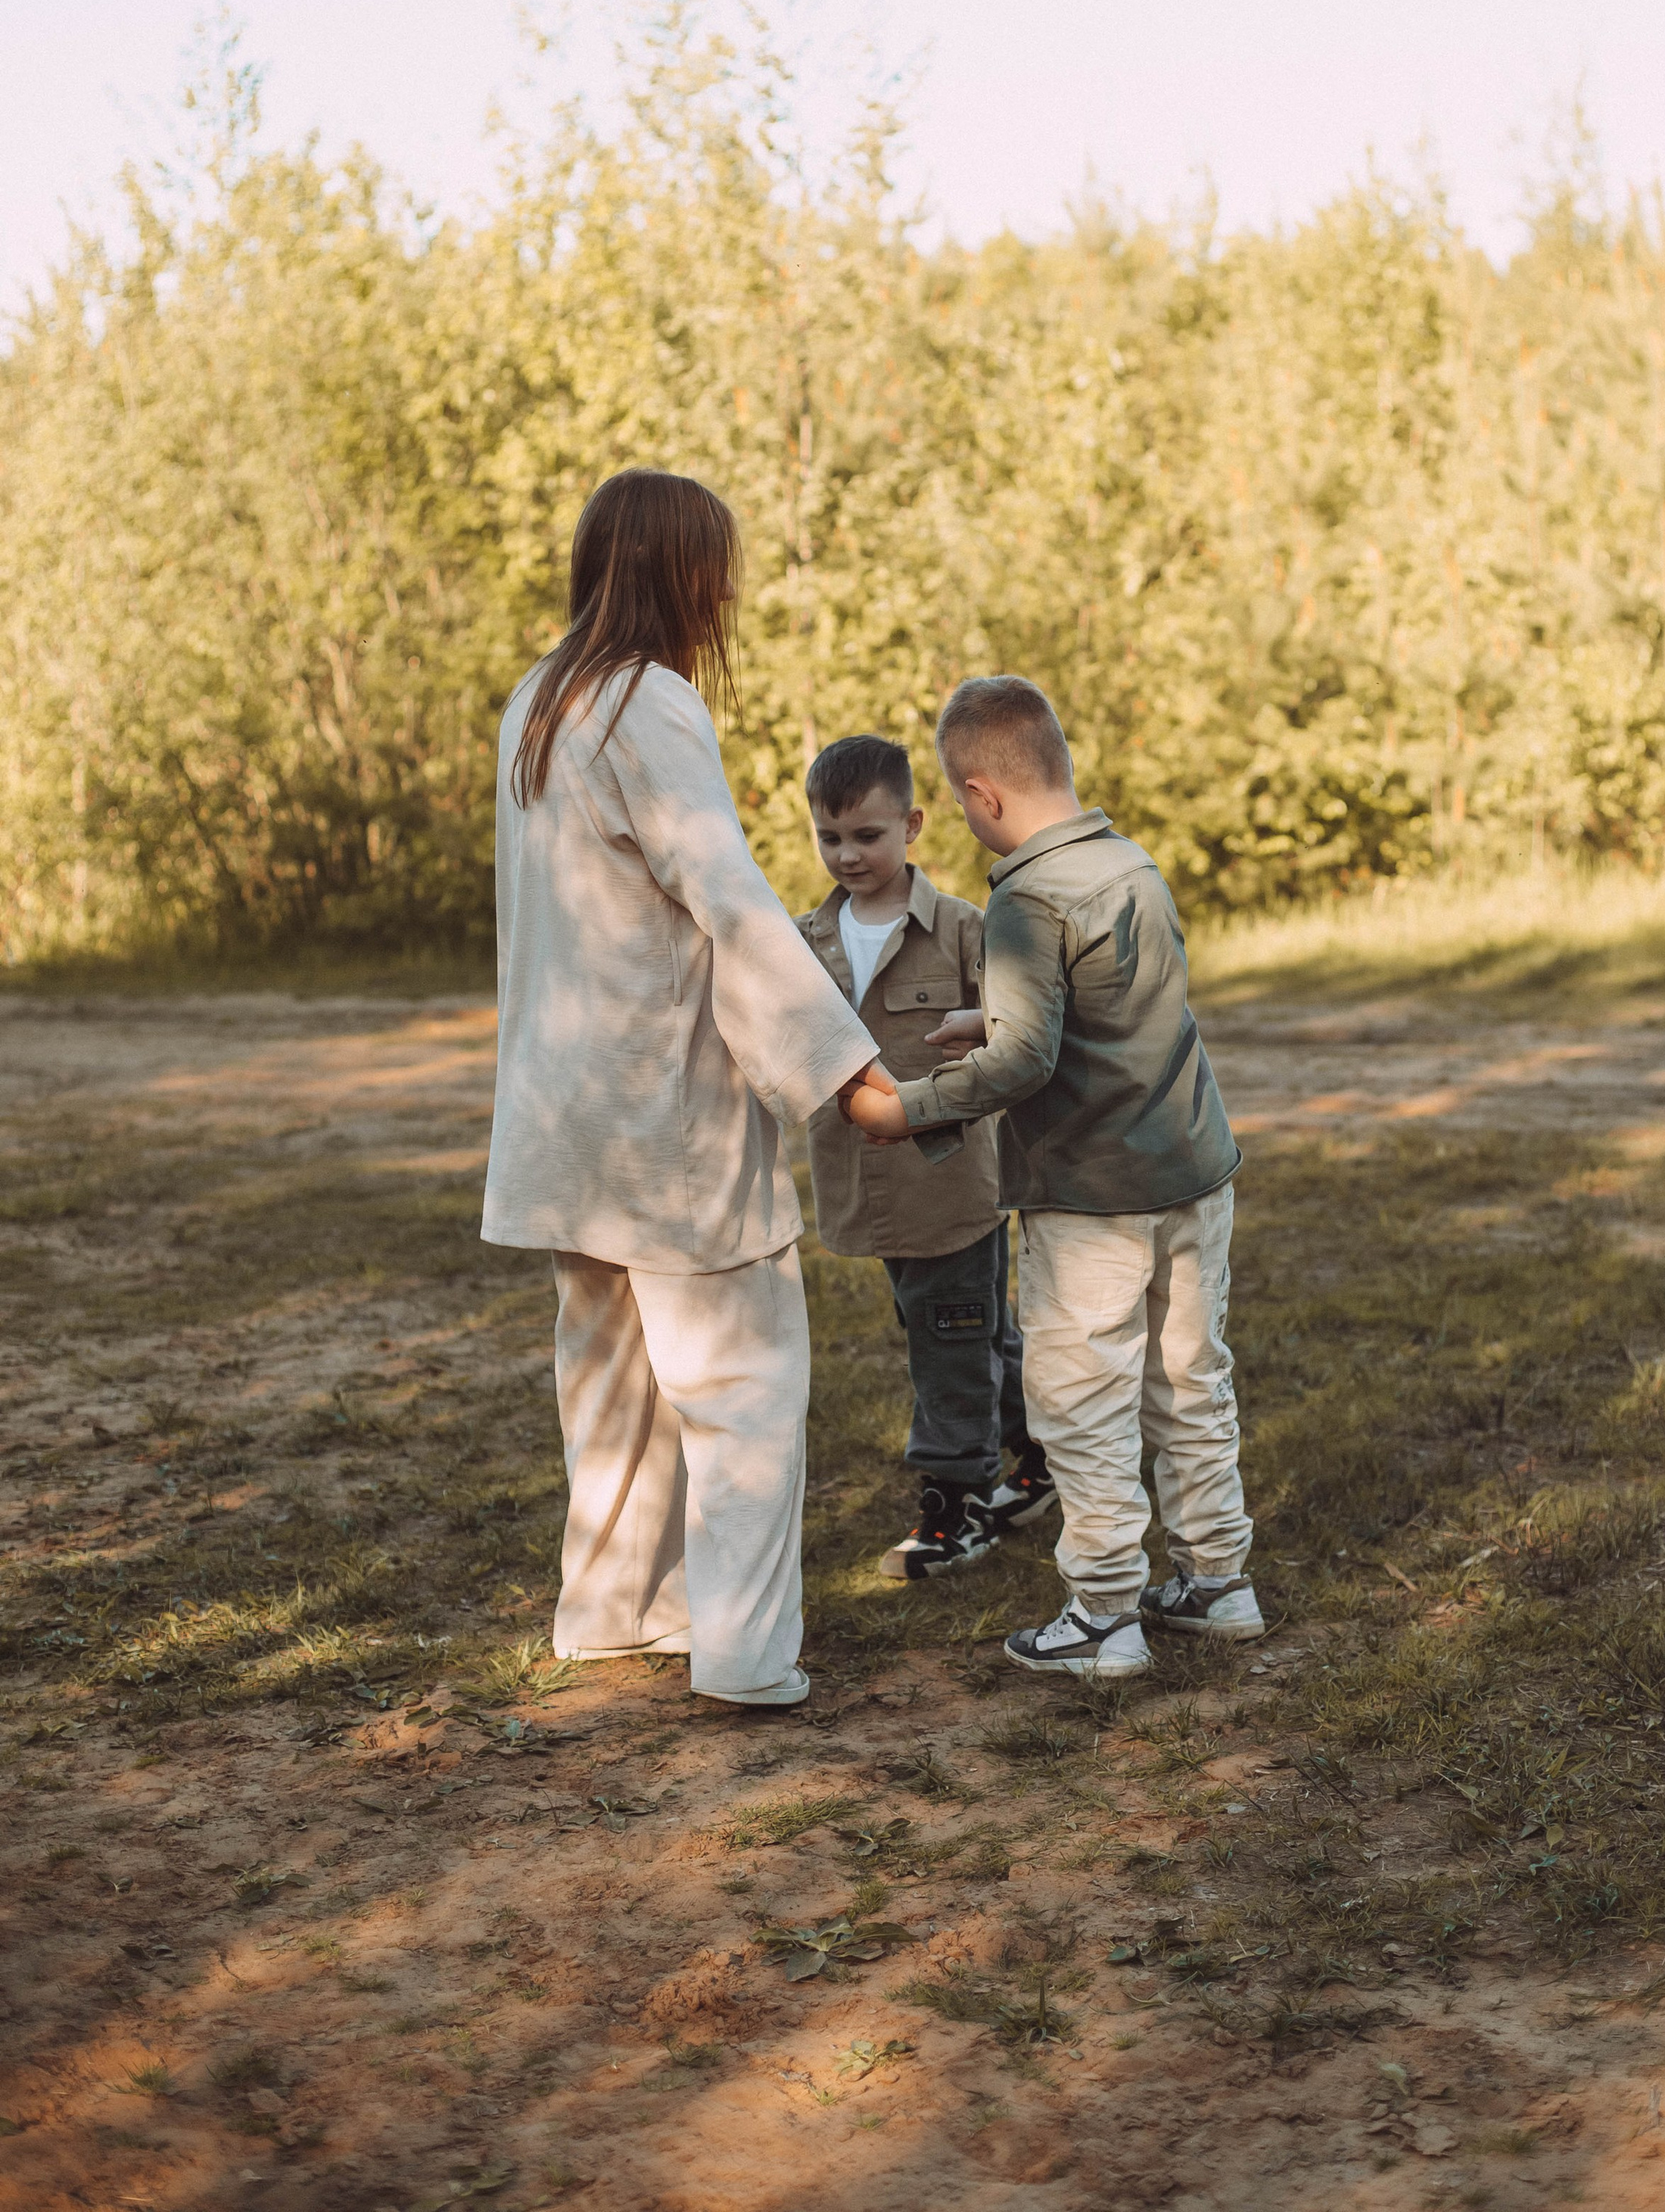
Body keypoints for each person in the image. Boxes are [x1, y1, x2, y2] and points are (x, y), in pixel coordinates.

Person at [481, 469, 887, 1710]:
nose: (727, 590)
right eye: (717, 565)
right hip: (662, 1117)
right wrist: (845, 1069)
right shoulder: (647, 704)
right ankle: (747, 1658)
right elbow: (729, 902)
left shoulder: (537, 700)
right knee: (742, 1386)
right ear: (678, 572)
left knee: (608, 1376)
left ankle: (617, 1612)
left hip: (565, 1113)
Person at [840, 674, 1259, 1682]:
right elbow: (1119, 1009)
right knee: (1191, 1384)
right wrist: (990, 1019)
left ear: (981, 796)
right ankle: (1217, 1582)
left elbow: (1028, 1066)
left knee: (1082, 1400)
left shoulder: (1026, 898)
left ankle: (1106, 1612)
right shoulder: (1131, 864)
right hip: (1194, 1176)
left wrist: (910, 1108)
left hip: (1095, 1197)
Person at [795, 733, 1053, 1582]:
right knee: (969, 1331)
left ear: (909, 825)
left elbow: (1019, 1035)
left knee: (949, 1339)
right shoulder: (804, 944)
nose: (847, 855)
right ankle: (1047, 1452)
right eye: (829, 837)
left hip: (950, 1187)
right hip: (867, 1191)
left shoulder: (966, 933)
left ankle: (956, 1502)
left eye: (867, 836)